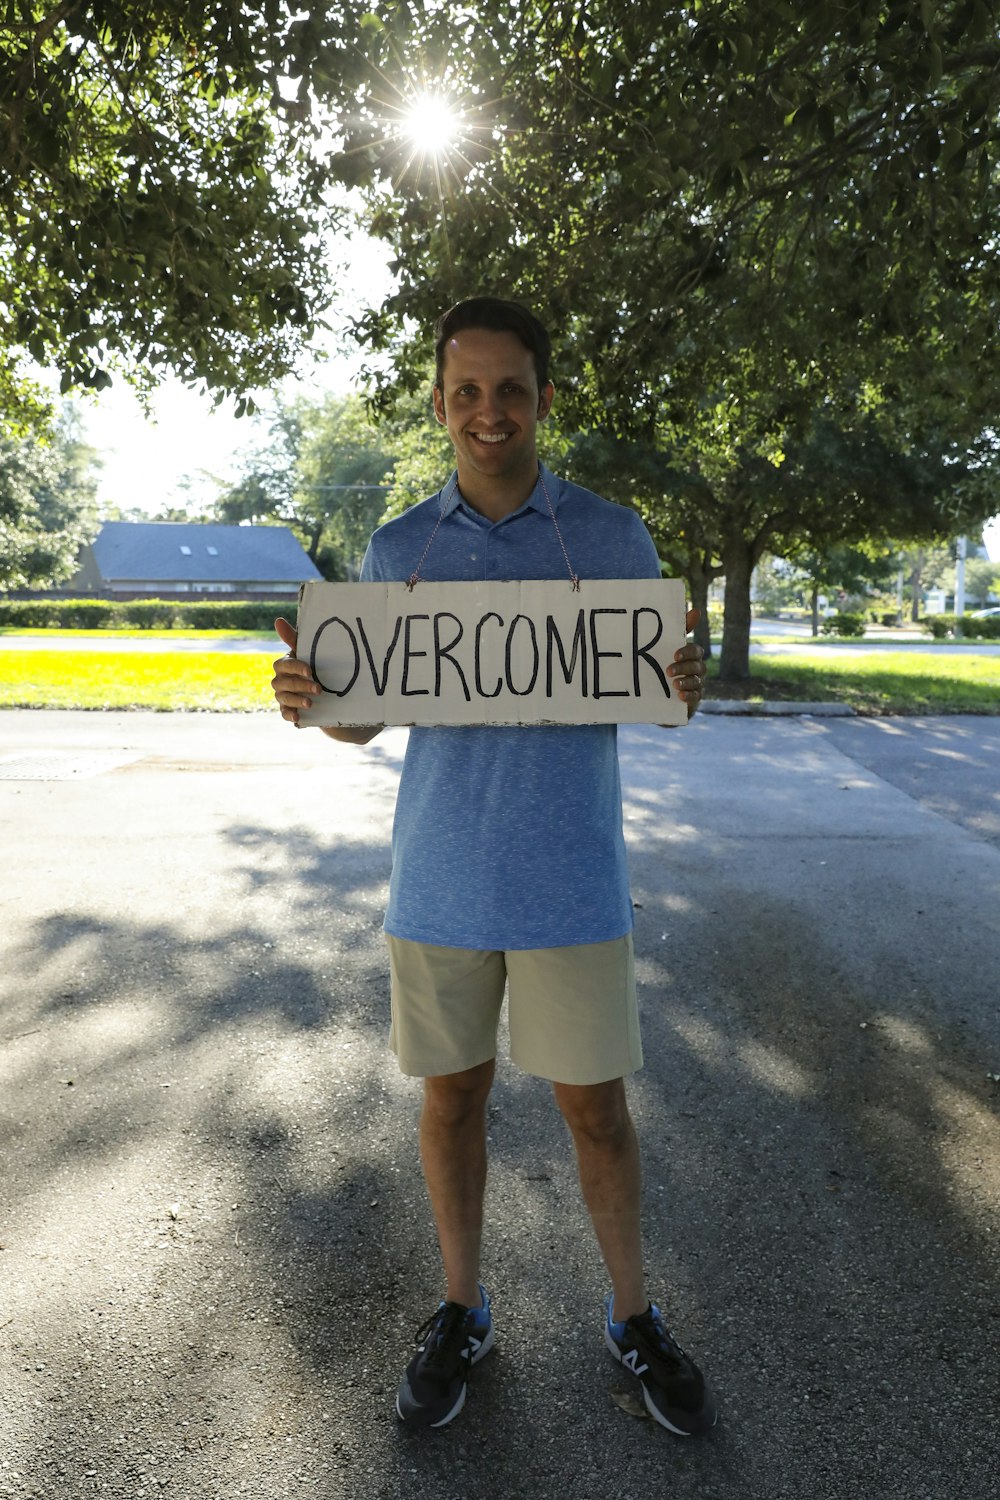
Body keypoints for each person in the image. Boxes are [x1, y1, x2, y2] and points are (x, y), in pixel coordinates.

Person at [271, 296, 716, 1437]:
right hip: (442, 881)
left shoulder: (613, 538)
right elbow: (362, 724)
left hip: (572, 880)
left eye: (509, 388)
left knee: (597, 1113)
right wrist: (318, 703)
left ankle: (632, 1318)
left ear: (544, 398)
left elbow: (657, 700)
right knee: (450, 1099)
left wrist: (679, 683)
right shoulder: (396, 548)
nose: (488, 411)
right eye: (465, 391)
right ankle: (461, 1308)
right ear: (439, 403)